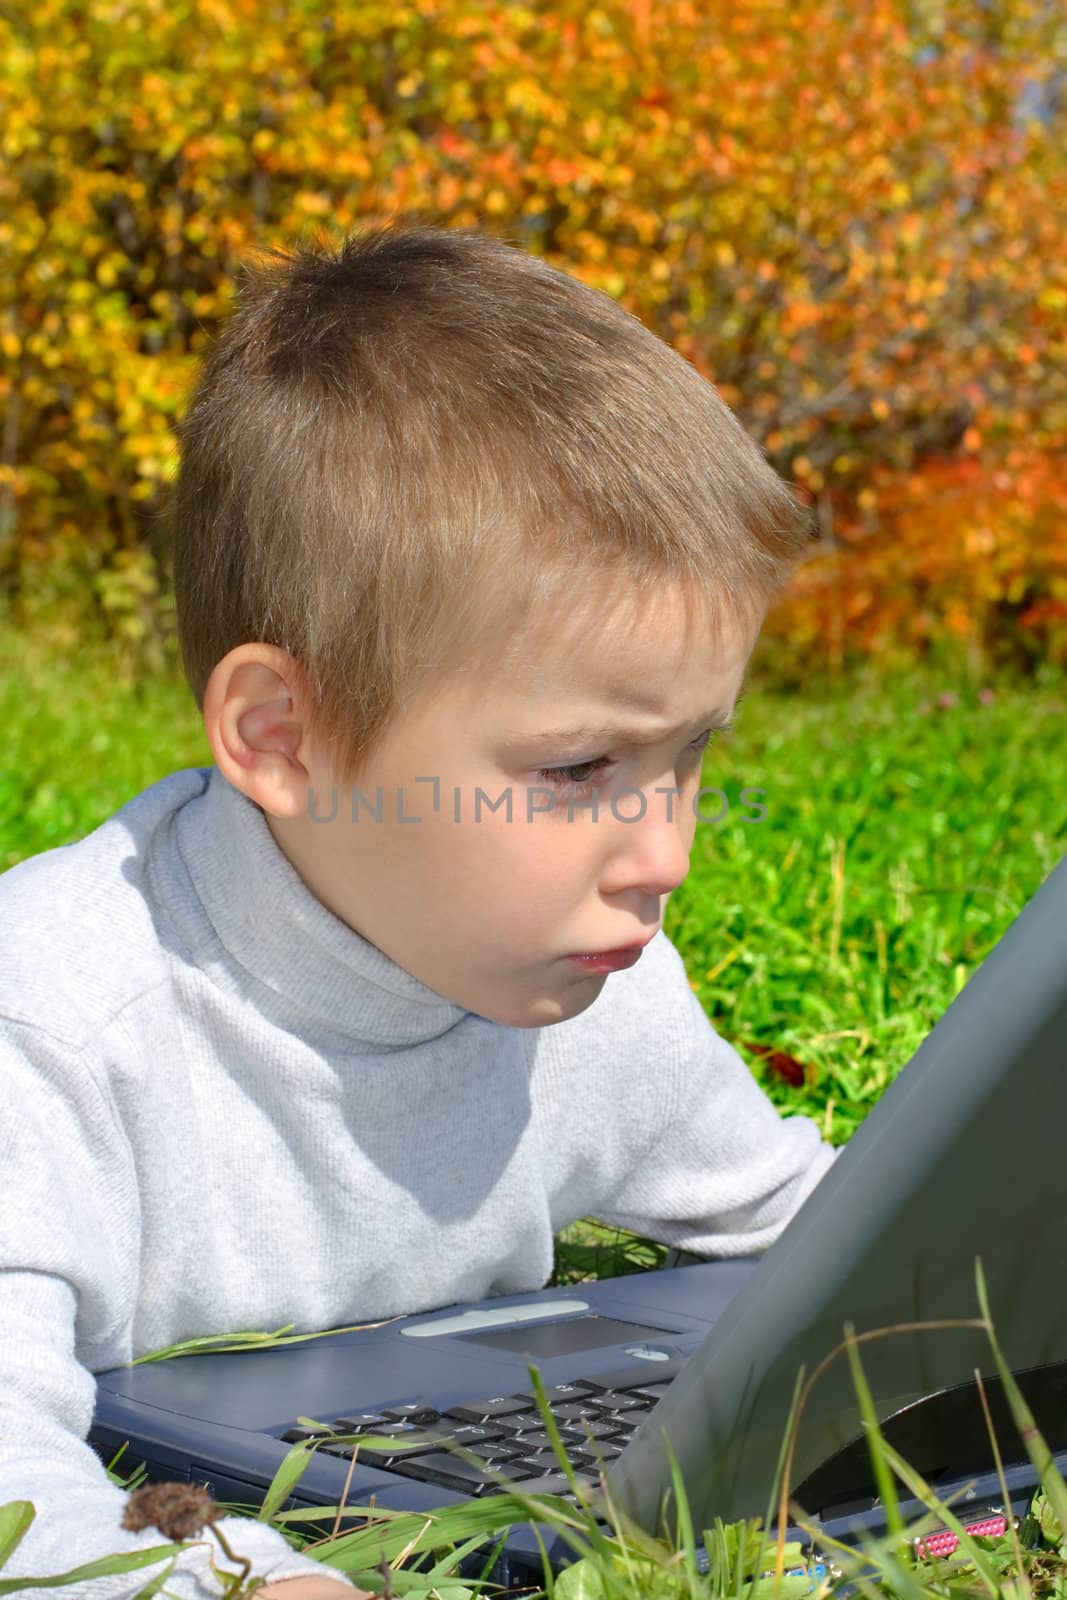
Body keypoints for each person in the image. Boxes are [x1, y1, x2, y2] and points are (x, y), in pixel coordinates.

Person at [0, 221, 838, 1599]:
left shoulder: (597, 987)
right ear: (282, 734)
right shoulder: (59, 1029)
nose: (665, 851)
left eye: (692, 759)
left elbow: (829, 1228)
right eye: (578, 771)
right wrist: (216, 1581)